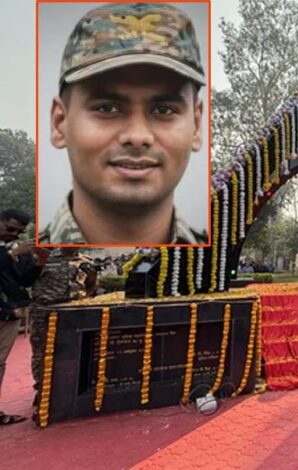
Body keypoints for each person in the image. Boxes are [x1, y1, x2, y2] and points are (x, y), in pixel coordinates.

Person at [39, 2, 208, 245]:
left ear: (196, 126)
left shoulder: (220, 261)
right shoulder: (18, 263)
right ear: (59, 123)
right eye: (107, 108)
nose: (137, 136)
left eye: (163, 110)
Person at [30, 248, 97, 414]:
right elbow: (28, 279)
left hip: (73, 312)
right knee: (42, 351)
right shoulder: (45, 257)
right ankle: (42, 389)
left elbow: (91, 286)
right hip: (45, 310)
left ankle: (69, 388)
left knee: (74, 351)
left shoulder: (86, 261)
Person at [0, 209, 48, 425]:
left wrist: (40, 263)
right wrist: (11, 255)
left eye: (19, 232)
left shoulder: (14, 249)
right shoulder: (10, 252)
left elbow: (23, 280)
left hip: (10, 313)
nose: (14, 235)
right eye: (10, 229)